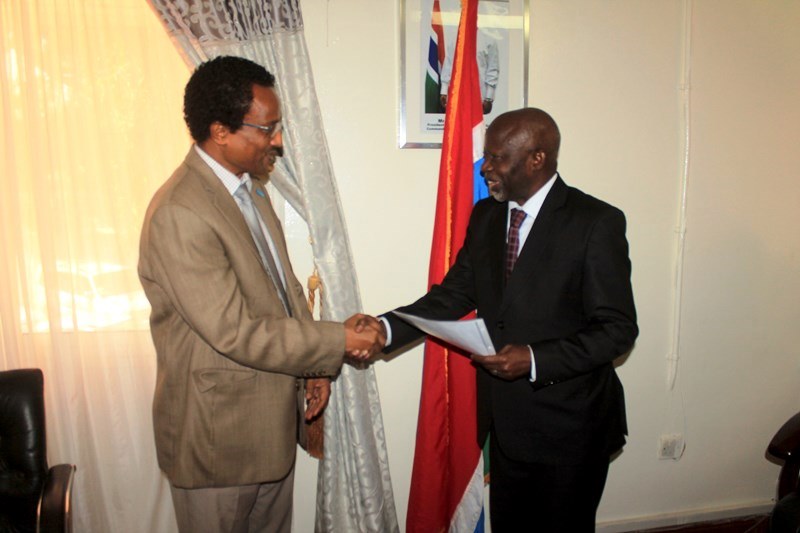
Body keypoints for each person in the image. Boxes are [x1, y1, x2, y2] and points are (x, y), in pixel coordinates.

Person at [138, 56, 384, 533]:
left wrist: (313, 366)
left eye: (278, 127)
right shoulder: (181, 212)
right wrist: (336, 342)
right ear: (220, 131)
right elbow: (235, 331)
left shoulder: (250, 189)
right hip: (219, 445)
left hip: (268, 429)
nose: (277, 141)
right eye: (266, 129)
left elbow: (283, 289)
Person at [380, 108, 638, 531]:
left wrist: (534, 358)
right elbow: (453, 294)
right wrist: (386, 327)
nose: (487, 169)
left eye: (498, 157)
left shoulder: (595, 222)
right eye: (487, 156)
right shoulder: (486, 217)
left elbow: (617, 329)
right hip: (505, 427)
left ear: (537, 158)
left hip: (569, 431)